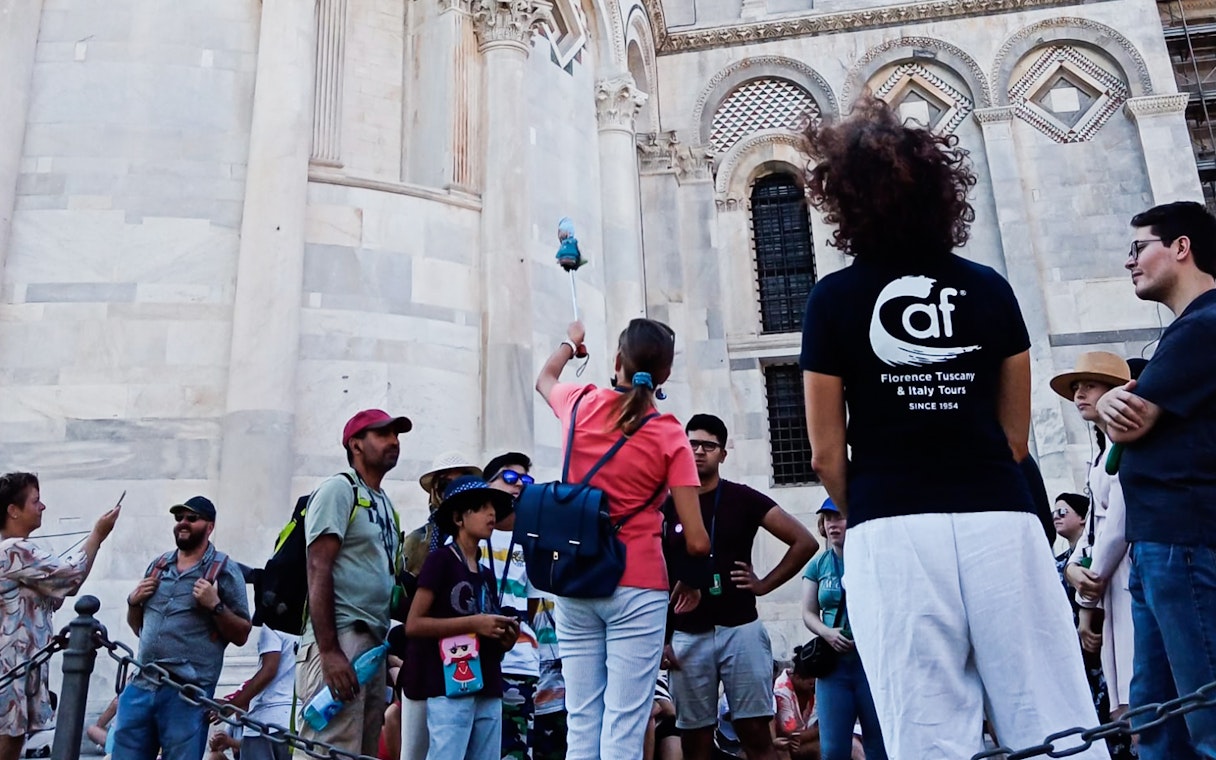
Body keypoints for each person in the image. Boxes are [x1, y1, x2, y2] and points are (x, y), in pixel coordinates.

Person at [798, 95, 1107, 759]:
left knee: (927, 725)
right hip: (1000, 515)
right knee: (1048, 709)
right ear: (943, 195)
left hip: (891, 525)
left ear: (844, 202)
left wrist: (874, 502)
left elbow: (825, 453)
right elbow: (1015, 438)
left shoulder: (832, 299)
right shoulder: (990, 288)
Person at [534, 319, 710, 760]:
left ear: (616, 361)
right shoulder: (669, 433)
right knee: (626, 724)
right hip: (638, 583)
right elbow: (697, 541)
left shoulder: (579, 402)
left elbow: (545, 379)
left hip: (575, 577)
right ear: (665, 375)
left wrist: (570, 344)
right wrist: (692, 579)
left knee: (582, 720)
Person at [1096, 200, 1216, 760]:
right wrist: (1113, 401)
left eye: (1138, 246)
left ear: (1181, 247)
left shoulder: (1205, 325)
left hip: (1183, 541)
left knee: (1205, 715)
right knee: (1157, 721)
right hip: (1159, 542)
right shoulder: (1186, 331)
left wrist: (1113, 404)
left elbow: (1132, 420)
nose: (1129, 261)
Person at [666, 414, 816, 760]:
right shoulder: (668, 502)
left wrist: (764, 584)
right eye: (692, 444)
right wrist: (663, 638)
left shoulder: (742, 498)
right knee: (694, 740)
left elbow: (804, 542)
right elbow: (655, 573)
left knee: (756, 734)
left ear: (722, 454)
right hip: (687, 634)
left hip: (740, 629)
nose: (698, 451)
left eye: (708, 446)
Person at [297, 409, 409, 756]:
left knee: (361, 750)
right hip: (340, 639)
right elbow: (318, 567)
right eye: (383, 434)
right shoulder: (339, 489)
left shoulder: (385, 504)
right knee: (329, 748)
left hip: (372, 647)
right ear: (355, 444)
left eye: (396, 435)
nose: (394, 442)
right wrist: (330, 652)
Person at [112, 496, 252, 760]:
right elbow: (139, 628)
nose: (183, 523)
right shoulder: (158, 565)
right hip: (142, 684)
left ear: (210, 526)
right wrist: (133, 602)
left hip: (188, 694)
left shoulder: (224, 570)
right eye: (179, 518)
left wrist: (215, 605)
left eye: (192, 518)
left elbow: (242, 633)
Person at [0, 473, 121, 760]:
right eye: (36, 501)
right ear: (13, 510)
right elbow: (71, 577)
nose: (42, 507)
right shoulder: (16, 550)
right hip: (11, 669)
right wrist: (97, 535)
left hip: (18, 667)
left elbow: (56, 592)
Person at [1053, 353, 1135, 760]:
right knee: (1125, 709)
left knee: (1141, 701)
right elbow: (1092, 538)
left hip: (1130, 582)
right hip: (1110, 591)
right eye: (1076, 388)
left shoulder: (1126, 448)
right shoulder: (1102, 456)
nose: (1079, 394)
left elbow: (1116, 526)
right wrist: (1073, 570)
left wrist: (1086, 596)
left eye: (1090, 385)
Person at [403, 475, 518, 760]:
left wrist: (504, 638)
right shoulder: (440, 560)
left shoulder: (486, 573)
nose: (491, 514)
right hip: (448, 685)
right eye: (481, 507)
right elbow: (414, 624)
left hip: (489, 683)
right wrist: (475, 623)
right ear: (458, 518)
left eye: (493, 507)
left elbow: (488, 635)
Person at [401, 451, 482, 760]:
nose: (453, 489)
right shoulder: (418, 541)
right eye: (446, 484)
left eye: (462, 482)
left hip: (466, 664)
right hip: (423, 659)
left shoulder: (479, 545)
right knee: (415, 749)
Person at [800, 499, 886, 760]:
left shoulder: (872, 559)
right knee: (833, 749)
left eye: (838, 517)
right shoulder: (818, 565)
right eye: (827, 519)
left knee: (879, 744)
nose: (832, 525)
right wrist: (827, 633)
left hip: (869, 662)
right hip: (833, 665)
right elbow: (808, 613)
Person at [481, 452, 541, 760]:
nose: (518, 485)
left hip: (519, 663)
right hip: (473, 660)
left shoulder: (531, 540)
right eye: (509, 477)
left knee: (516, 751)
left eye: (525, 480)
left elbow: (533, 603)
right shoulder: (471, 535)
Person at [218, 624, 299, 760]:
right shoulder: (309, 628)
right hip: (296, 720)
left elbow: (269, 670)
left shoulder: (272, 624)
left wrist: (232, 705)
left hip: (266, 719)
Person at [773, 650, 820, 760]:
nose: (813, 687)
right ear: (798, 678)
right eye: (810, 684)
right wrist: (819, 731)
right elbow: (792, 735)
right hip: (785, 744)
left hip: (801, 739)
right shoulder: (782, 691)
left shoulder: (810, 690)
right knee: (819, 749)